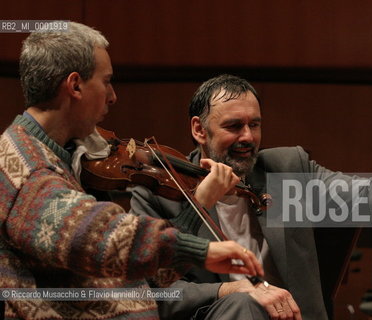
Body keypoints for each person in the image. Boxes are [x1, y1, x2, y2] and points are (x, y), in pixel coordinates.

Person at [0, 24, 265, 320]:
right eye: (107, 81)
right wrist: (202, 251)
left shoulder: (59, 157)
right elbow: (93, 233)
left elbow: (149, 276)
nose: (112, 96)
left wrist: (196, 209)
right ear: (75, 86)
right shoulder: (24, 166)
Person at [130, 74, 372, 320]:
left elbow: (361, 199)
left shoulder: (287, 167)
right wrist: (231, 289)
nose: (247, 137)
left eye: (254, 125)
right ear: (199, 130)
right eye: (234, 126)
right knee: (245, 304)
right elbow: (155, 290)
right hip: (229, 314)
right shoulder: (158, 192)